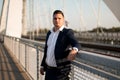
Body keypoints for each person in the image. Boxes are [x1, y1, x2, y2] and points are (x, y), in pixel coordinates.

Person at [40, 10, 80, 80]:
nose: (57, 20)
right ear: (52, 20)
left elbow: (76, 44)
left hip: (60, 72)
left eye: (59, 18)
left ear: (63, 20)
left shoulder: (67, 32)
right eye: (55, 18)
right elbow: (46, 50)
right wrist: (42, 65)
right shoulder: (49, 33)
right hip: (48, 70)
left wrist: (74, 50)